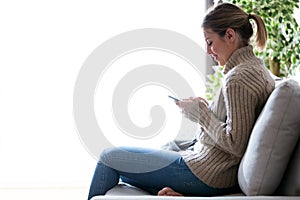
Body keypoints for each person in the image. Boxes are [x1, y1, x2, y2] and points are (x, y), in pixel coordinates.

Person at [87, 2, 275, 199]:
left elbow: (235, 144)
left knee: (109, 159)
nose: (208, 51)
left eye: (210, 42)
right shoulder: (255, 70)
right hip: (209, 171)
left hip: (205, 174)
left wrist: (201, 114)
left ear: (230, 35)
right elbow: (235, 124)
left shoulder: (238, 78)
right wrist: (205, 107)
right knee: (134, 164)